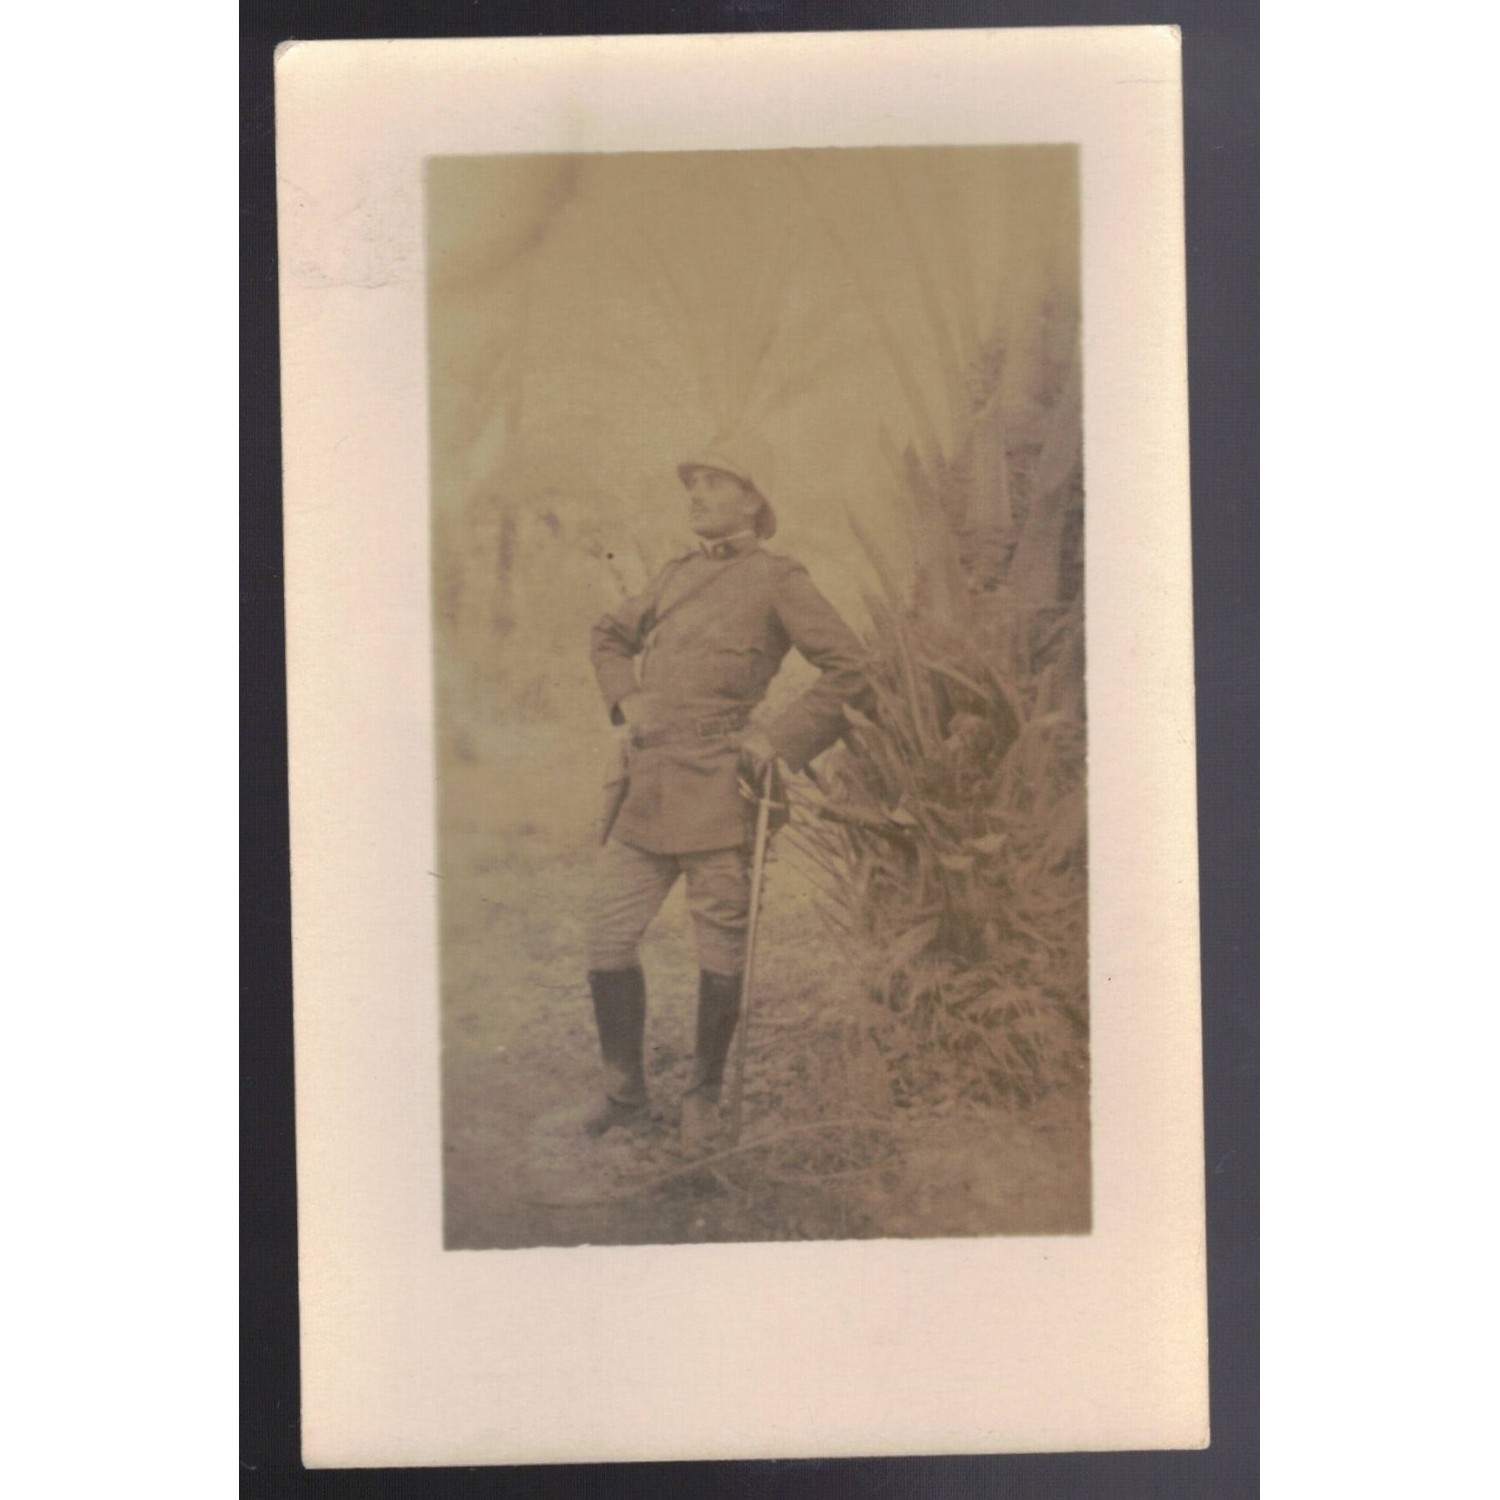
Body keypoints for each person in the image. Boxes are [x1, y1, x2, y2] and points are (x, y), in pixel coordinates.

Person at [583, 434, 868, 1140]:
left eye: (716, 482)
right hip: (646, 791)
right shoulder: (674, 575)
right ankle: (624, 1094)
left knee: (720, 953)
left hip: (720, 791)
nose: (698, 494)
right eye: (694, 483)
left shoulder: (779, 580)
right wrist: (630, 699)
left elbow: (852, 668)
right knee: (607, 940)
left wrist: (780, 739)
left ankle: (704, 1097)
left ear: (753, 499)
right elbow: (609, 635)